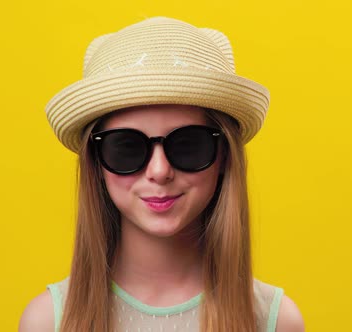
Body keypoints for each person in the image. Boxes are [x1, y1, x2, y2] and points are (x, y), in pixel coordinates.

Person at [19, 16, 304, 332]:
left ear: (224, 155)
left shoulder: (274, 321)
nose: (159, 171)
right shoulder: (47, 322)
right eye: (127, 147)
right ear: (96, 162)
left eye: (188, 145)